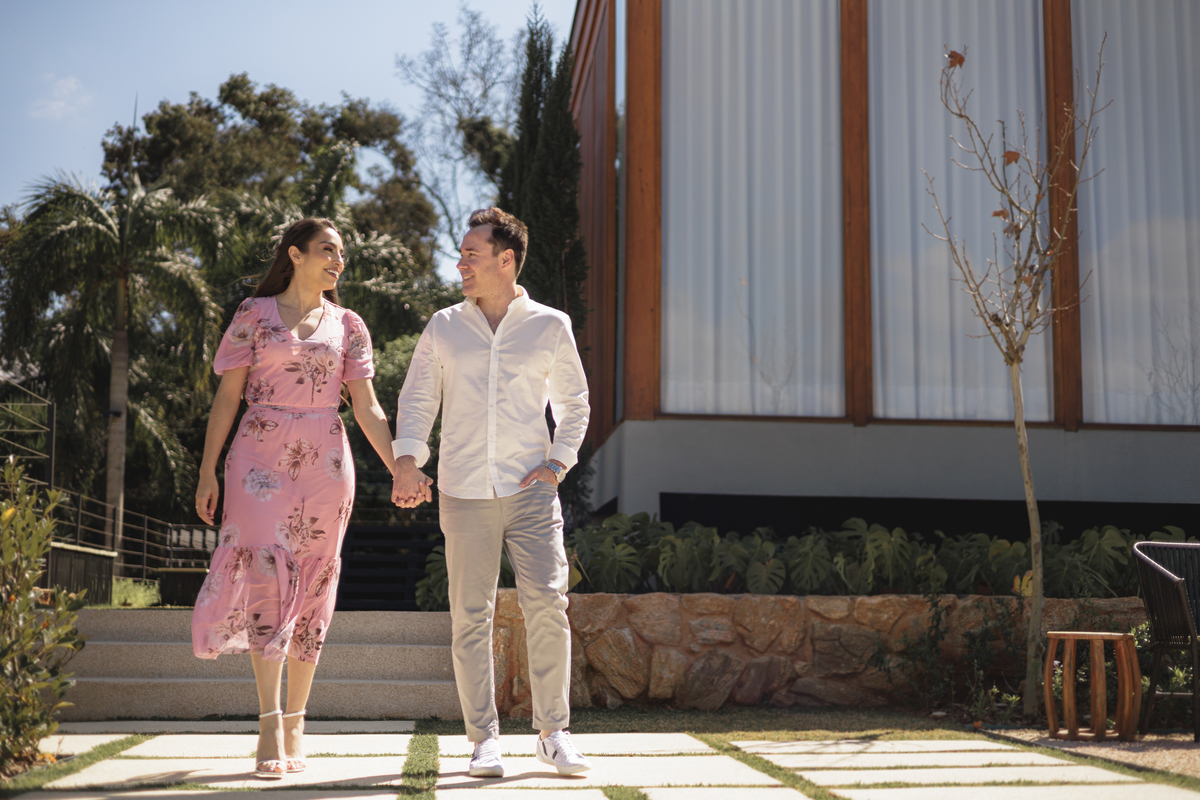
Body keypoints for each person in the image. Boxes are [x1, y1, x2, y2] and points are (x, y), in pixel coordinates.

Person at [191, 218, 398, 779]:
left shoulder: (349, 325)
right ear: (296, 255)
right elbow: (227, 396)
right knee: (264, 573)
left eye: (342, 254)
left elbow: (367, 408)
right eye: (328, 250)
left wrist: (400, 465)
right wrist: (207, 471)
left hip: (327, 463)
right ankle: (267, 719)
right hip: (258, 456)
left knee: (313, 581)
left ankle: (297, 720)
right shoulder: (252, 316)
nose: (339, 261)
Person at [391, 207, 591, 777]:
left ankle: (554, 733)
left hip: (532, 491)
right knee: (469, 617)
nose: (461, 265)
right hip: (464, 491)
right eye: (461, 255)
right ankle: (484, 741)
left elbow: (574, 404)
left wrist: (558, 463)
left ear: (507, 260)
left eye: (471, 255)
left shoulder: (551, 325)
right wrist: (409, 461)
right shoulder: (444, 325)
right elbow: (417, 399)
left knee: (548, 606)